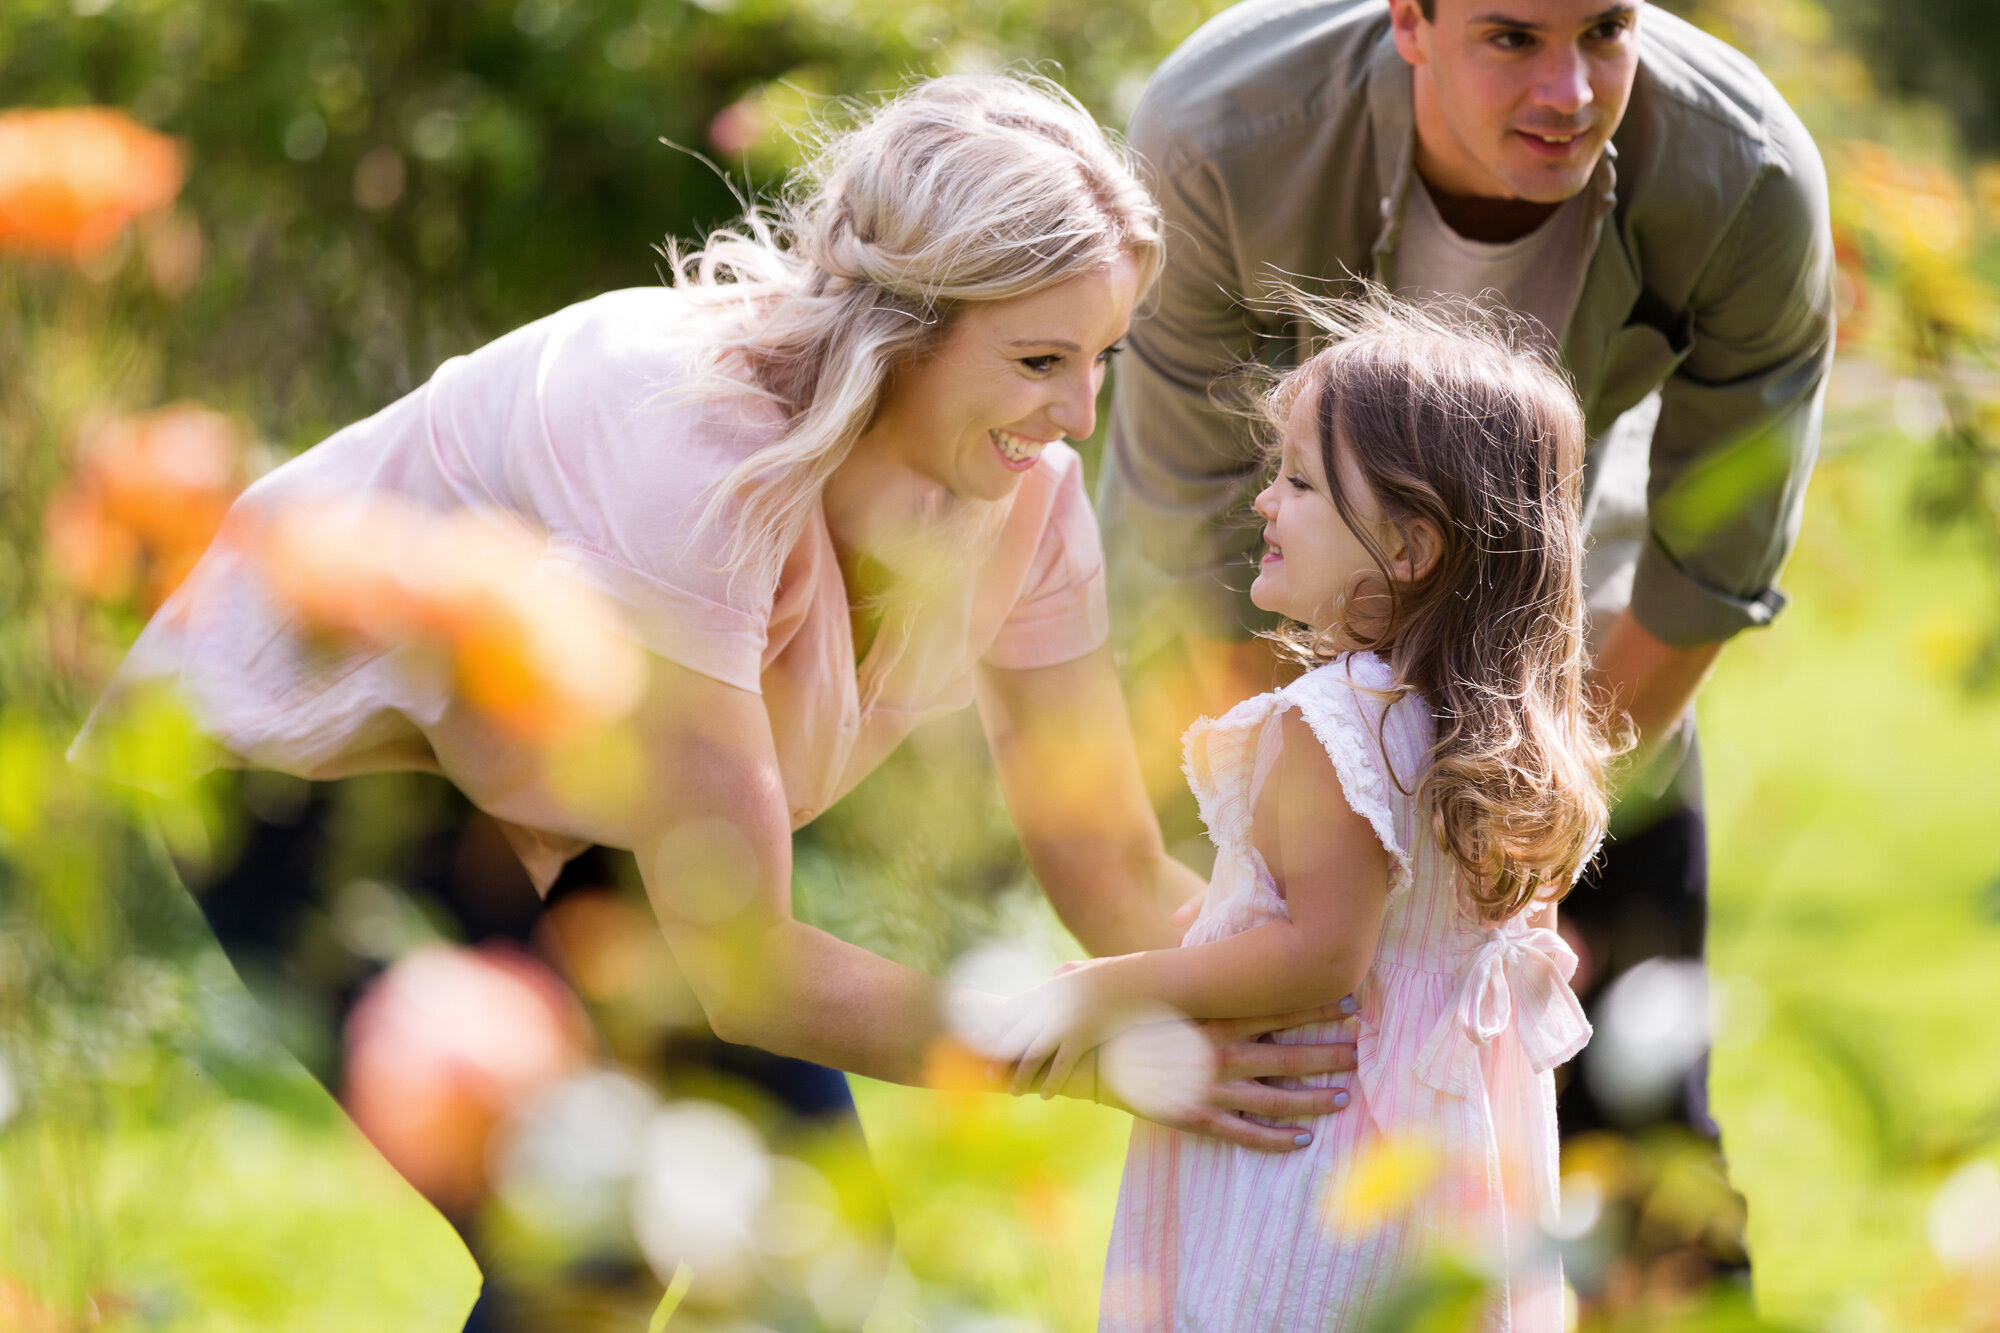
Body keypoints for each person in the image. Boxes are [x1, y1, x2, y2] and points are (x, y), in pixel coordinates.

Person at [73, 74, 1359, 1327]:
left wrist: (1342, 987)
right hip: (308, 759)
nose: (1077, 414)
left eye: (1100, 358)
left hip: (563, 786)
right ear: (901, 324)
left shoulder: (1028, 503)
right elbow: (748, 973)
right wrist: (1108, 1052)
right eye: (1037, 358)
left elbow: (1110, 866)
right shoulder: (691, 445)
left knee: (815, 1227)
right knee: (602, 1227)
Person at [1102, 0, 1834, 1144]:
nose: (1570, 94)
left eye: (1602, 32)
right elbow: (1197, 538)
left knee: (1631, 1148)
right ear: (1408, 20)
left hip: (1587, 686)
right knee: (1311, 1140)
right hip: (1281, 680)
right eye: (1510, 39)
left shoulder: (1745, 175)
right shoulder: (1219, 137)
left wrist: (1527, 850)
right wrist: (1318, 837)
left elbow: (1706, 561)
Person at [997, 295, 1613, 1330]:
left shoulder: (1334, 724)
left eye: (1296, 481)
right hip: (1454, 1153)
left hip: (1320, 1151)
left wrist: (1104, 987)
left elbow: (1320, 956)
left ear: (1409, 546)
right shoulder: (1502, 739)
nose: (1261, 505)